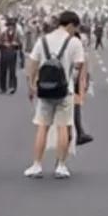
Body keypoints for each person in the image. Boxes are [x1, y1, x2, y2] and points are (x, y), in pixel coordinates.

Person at [24, 10, 85, 179]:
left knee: (42, 127)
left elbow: (33, 63)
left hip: (44, 90)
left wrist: (31, 85)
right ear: (71, 25)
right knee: (63, 127)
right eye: (75, 28)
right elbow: (79, 65)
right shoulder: (74, 42)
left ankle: (37, 165)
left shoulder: (43, 40)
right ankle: (61, 166)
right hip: (65, 90)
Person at [0, 18, 22, 94]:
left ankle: (12, 86)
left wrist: (16, 44)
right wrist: (3, 44)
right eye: (9, 25)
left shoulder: (17, 34)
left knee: (12, 71)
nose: (10, 27)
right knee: (3, 71)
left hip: (13, 54)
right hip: (4, 53)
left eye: (12, 25)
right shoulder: (3, 33)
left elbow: (21, 44)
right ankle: (3, 87)